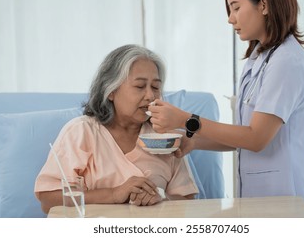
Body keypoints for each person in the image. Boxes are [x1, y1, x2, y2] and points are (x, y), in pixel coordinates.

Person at [148, 0, 304, 217]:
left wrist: (187, 120)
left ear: (263, 5)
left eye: (236, 7)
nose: (230, 19)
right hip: (262, 203)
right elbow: (243, 136)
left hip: (290, 201)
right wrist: (194, 140)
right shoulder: (258, 57)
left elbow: (256, 138)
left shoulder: (287, 61)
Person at [34, 44, 198, 214]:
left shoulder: (165, 137)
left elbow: (187, 200)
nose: (150, 96)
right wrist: (113, 194)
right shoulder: (81, 132)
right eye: (140, 86)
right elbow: (48, 200)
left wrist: (161, 199)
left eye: (156, 87)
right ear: (110, 91)